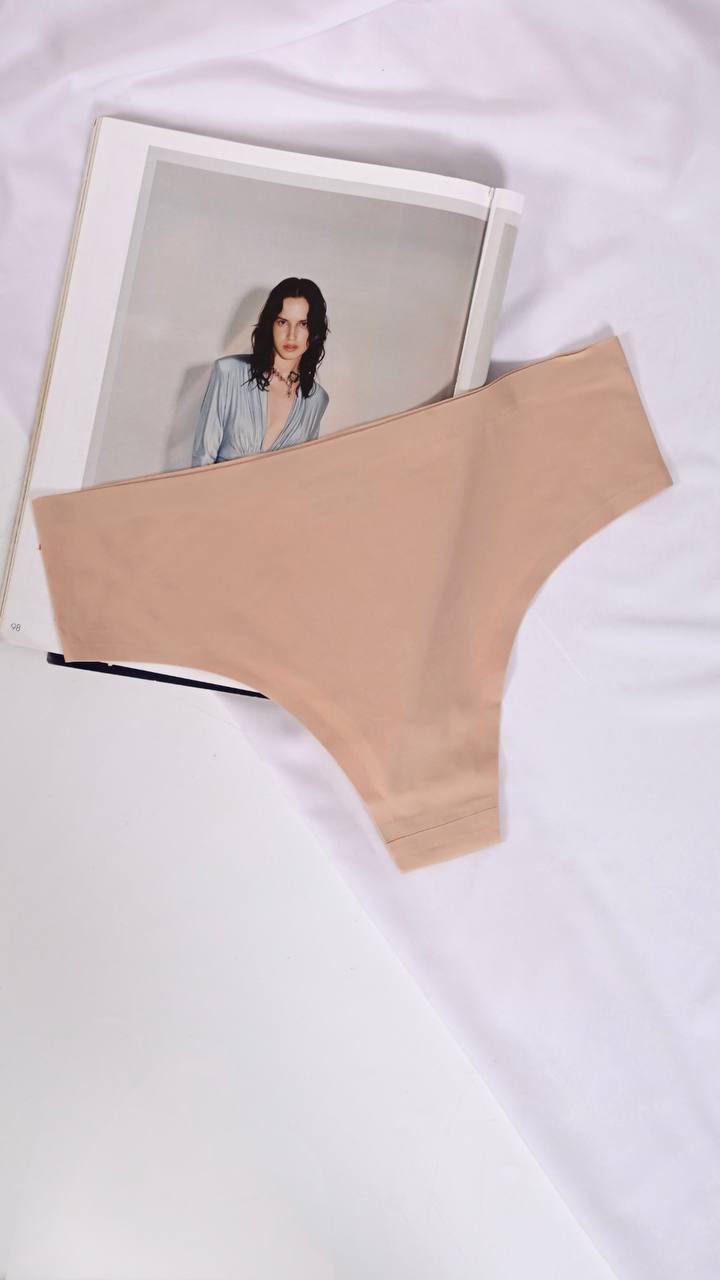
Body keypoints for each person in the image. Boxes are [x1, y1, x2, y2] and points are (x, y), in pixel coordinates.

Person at [192, 277, 330, 466]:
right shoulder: (228, 372)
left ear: (315, 331)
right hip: (218, 486)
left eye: (303, 324)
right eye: (283, 322)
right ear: (270, 324)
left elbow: (302, 471)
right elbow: (202, 460)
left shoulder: (317, 400)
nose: (291, 335)